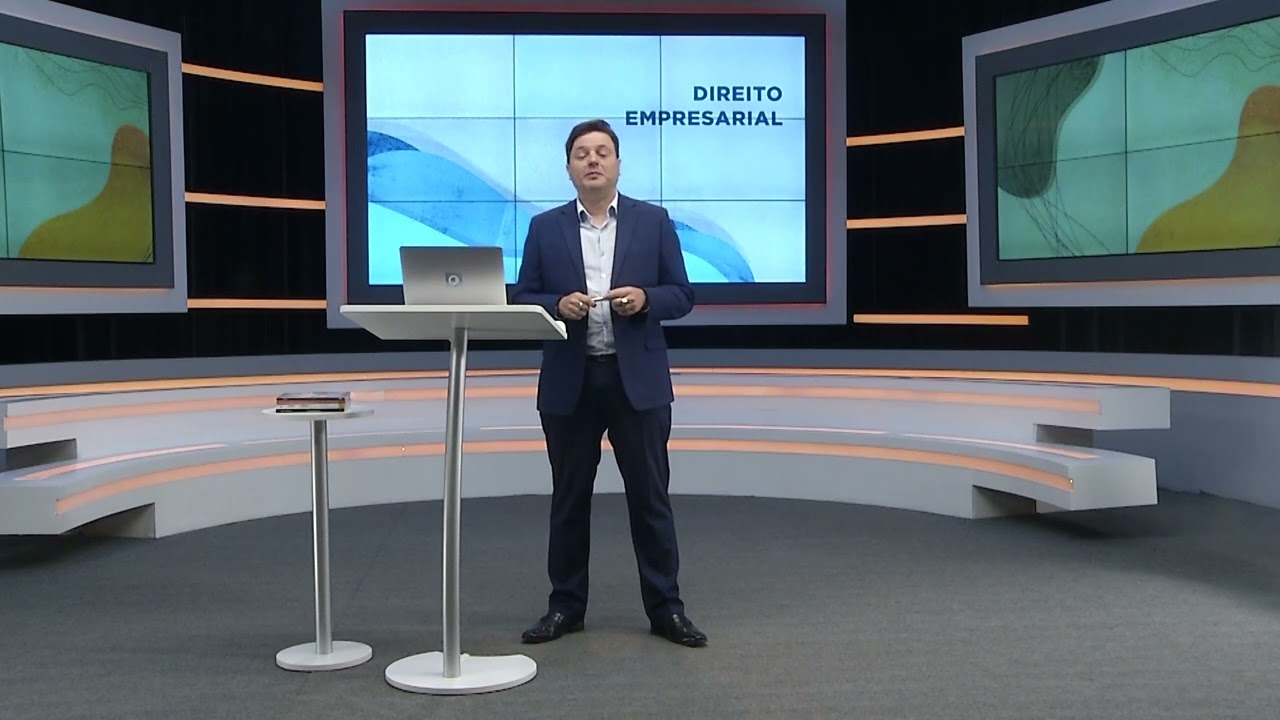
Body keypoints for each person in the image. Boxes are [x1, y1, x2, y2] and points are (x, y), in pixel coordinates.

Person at [509, 118, 706, 648]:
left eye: (602, 152)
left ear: (618, 164)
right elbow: (522, 295)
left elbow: (682, 294)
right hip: (571, 382)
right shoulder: (544, 228)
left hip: (636, 381)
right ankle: (565, 607)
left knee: (650, 499)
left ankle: (666, 610)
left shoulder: (653, 221)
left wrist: (645, 299)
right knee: (569, 500)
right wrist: (557, 304)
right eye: (582, 153)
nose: (592, 160)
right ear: (568, 168)